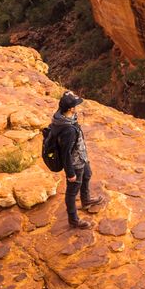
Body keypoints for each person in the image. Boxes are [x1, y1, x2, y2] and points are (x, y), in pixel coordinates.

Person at [50, 91, 102, 228]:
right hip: (75, 163)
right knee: (72, 191)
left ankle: (86, 201)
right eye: (75, 105)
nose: (77, 107)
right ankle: (73, 220)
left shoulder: (62, 116)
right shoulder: (68, 130)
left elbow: (64, 102)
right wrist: (70, 173)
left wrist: (67, 95)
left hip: (81, 156)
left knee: (87, 175)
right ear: (71, 109)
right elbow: (65, 153)